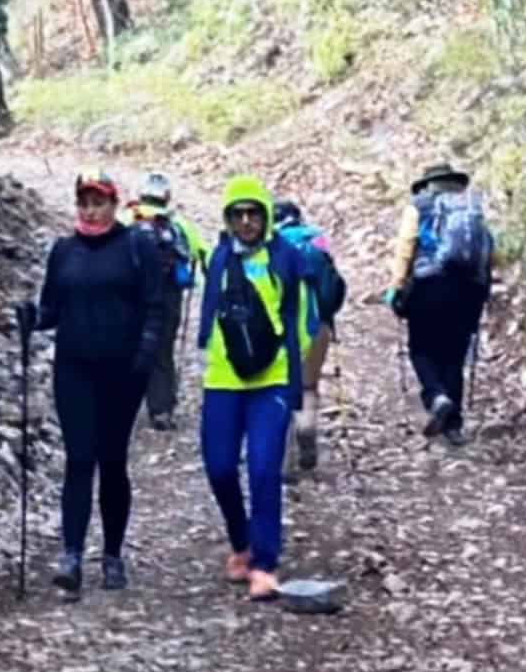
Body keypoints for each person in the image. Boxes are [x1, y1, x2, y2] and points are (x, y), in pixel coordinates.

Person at [16, 170, 164, 596]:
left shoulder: (137, 246)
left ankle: (113, 554)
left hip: (123, 372)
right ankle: (73, 556)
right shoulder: (63, 252)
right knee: (79, 459)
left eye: (98, 202)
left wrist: (145, 355)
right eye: (84, 202)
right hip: (74, 370)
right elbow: (52, 310)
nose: (90, 209)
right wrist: (32, 318)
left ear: (114, 205)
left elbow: (154, 306)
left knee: (112, 461)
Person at [197, 175, 312, 601]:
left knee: (264, 469)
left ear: (265, 217)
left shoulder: (287, 258)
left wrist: (297, 377)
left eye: (253, 213)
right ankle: (240, 541)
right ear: (227, 219)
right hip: (223, 379)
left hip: (272, 378)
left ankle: (264, 563)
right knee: (220, 467)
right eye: (238, 214)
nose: (246, 222)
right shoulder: (218, 258)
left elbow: (302, 316)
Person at [385, 163, 494, 446]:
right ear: (455, 183)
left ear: (428, 183)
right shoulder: (472, 207)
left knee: (421, 348)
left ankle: (435, 395)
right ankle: (453, 425)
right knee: (453, 357)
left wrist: (396, 286)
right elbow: (490, 250)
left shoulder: (419, 206)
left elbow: (406, 247)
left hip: (428, 286)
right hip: (469, 290)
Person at [121, 170, 211, 430]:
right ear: (167, 197)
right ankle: (161, 409)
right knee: (162, 351)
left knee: (128, 347)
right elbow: (203, 253)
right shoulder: (178, 223)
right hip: (167, 294)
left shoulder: (127, 218)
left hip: (131, 294)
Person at [273, 199, 346, 472]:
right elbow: (335, 287)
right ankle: (307, 427)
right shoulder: (317, 241)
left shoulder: (269, 244)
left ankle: (285, 463)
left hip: (280, 329)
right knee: (307, 386)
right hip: (318, 327)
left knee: (279, 389)